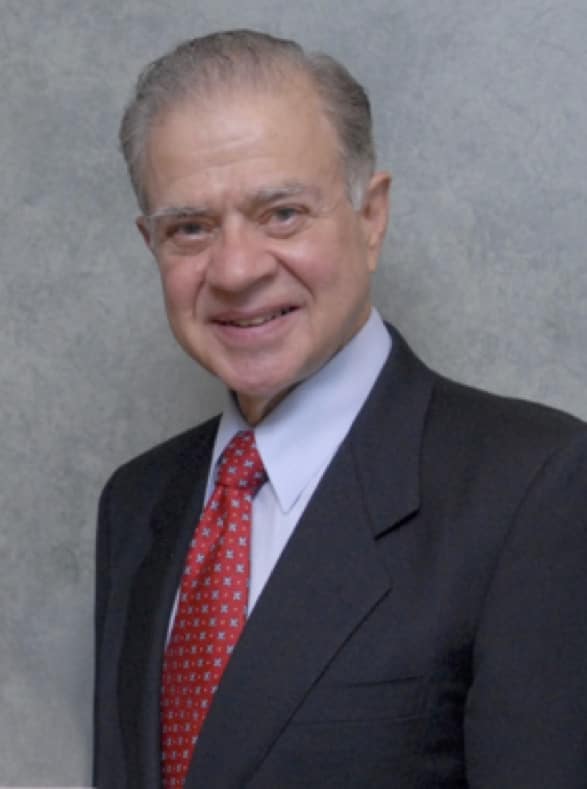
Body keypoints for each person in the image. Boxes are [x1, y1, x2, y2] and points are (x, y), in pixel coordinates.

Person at [94, 29, 587, 789]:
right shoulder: (136, 502)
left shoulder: (534, 487)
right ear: (150, 243)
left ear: (370, 216)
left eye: (282, 213)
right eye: (189, 228)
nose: (235, 269)